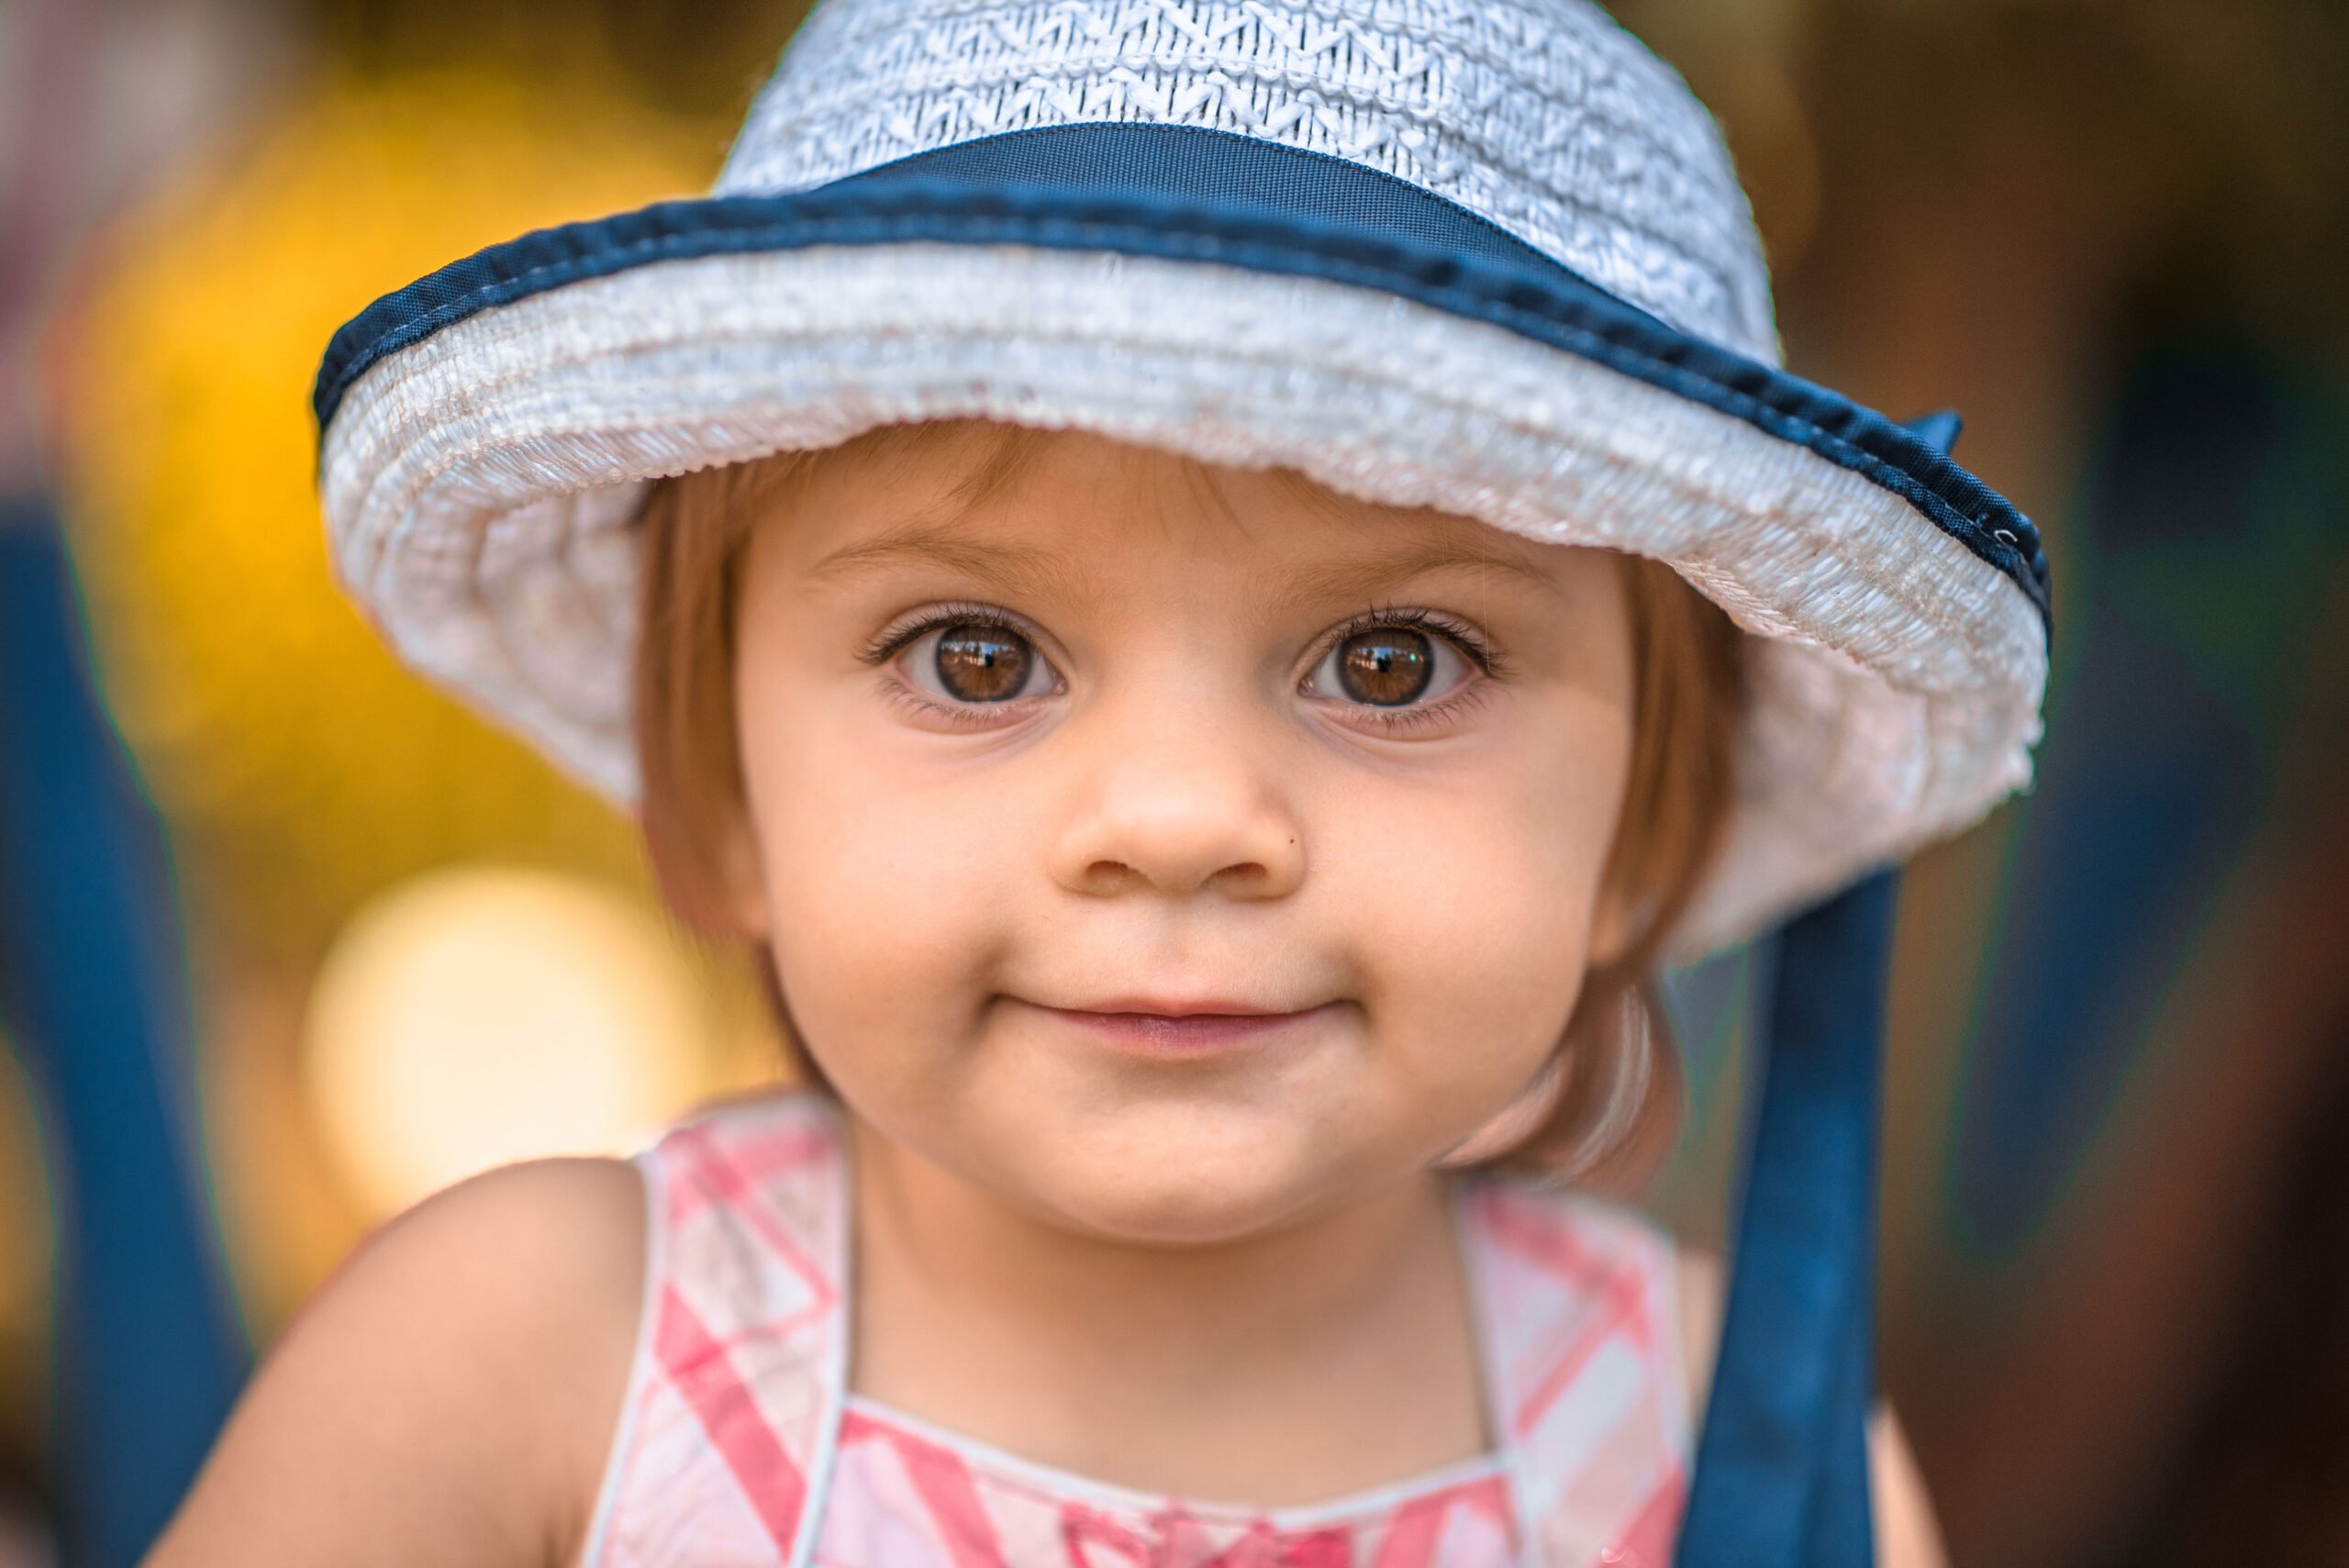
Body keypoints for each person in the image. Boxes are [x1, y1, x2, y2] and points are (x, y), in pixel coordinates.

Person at [147, 0, 2048, 1562]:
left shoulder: (1729, 1457)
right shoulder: (536, 1368)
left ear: (1643, 834)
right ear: (715, 793)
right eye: (975, 658)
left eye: (1391, 664)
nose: (1174, 819)